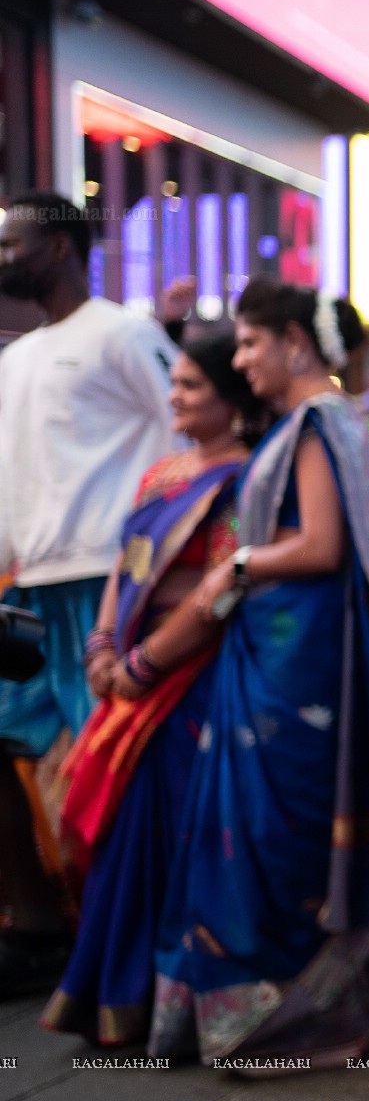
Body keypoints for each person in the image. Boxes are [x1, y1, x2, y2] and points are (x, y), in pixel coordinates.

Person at [148, 280, 369, 1068]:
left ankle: (297, 1015)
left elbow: (320, 547)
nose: (241, 360)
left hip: (295, 660)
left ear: (294, 344)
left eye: (249, 343)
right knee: (269, 827)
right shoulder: (315, 419)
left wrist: (236, 564)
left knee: (278, 833)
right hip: (279, 648)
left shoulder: (316, 420)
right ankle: (301, 1005)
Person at [42, 328, 266, 1045]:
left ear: (231, 403)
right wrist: (104, 643)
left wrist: (144, 666)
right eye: (175, 384)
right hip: (133, 668)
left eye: (192, 386)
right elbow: (124, 563)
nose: (174, 396)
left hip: (189, 679)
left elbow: (220, 591)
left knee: (162, 829)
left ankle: (163, 1004)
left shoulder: (247, 480)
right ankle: (110, 992)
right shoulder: (163, 473)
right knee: (115, 833)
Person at [0, 192, 177, 995]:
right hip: (31, 586)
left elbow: (183, 434)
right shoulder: (14, 357)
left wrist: (166, 558)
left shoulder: (123, 333)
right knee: (9, 745)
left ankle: (126, 949)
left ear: (62, 248)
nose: (3, 257)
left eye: (14, 243)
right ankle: (37, 929)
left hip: (107, 579)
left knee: (108, 770)